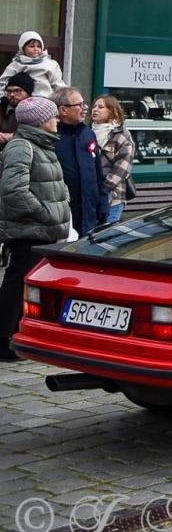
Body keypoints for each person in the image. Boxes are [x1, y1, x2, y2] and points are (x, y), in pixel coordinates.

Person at [0, 96, 72, 360]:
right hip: (30, 230)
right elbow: (13, 190)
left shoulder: (42, 144)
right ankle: (3, 339)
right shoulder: (22, 147)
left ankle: (18, 335)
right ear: (41, 121)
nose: (57, 120)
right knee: (17, 284)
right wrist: (47, 214)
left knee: (27, 285)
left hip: (44, 229)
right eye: (52, 116)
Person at [52, 87, 106, 233]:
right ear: (63, 110)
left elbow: (98, 174)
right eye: (80, 105)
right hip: (61, 218)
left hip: (88, 215)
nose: (85, 109)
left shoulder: (88, 134)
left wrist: (102, 205)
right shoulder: (51, 137)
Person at [91, 94, 135, 224]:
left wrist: (102, 189)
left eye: (100, 107)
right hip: (91, 197)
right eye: (94, 106)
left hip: (113, 197)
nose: (95, 110)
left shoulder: (121, 134)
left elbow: (122, 168)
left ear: (111, 111)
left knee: (107, 234)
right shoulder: (88, 132)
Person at [1, 32, 65, 98]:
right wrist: (4, 98)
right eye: (32, 46)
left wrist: (64, 99)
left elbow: (58, 85)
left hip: (45, 100)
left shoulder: (51, 64)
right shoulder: (15, 65)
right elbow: (2, 83)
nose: (36, 49)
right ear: (23, 48)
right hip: (20, 102)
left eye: (39, 46)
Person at [0, 72, 32, 144]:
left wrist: (13, 136)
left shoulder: (37, 111)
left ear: (28, 92)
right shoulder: (2, 108)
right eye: (9, 91)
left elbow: (41, 135)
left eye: (17, 91)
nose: (12, 94)